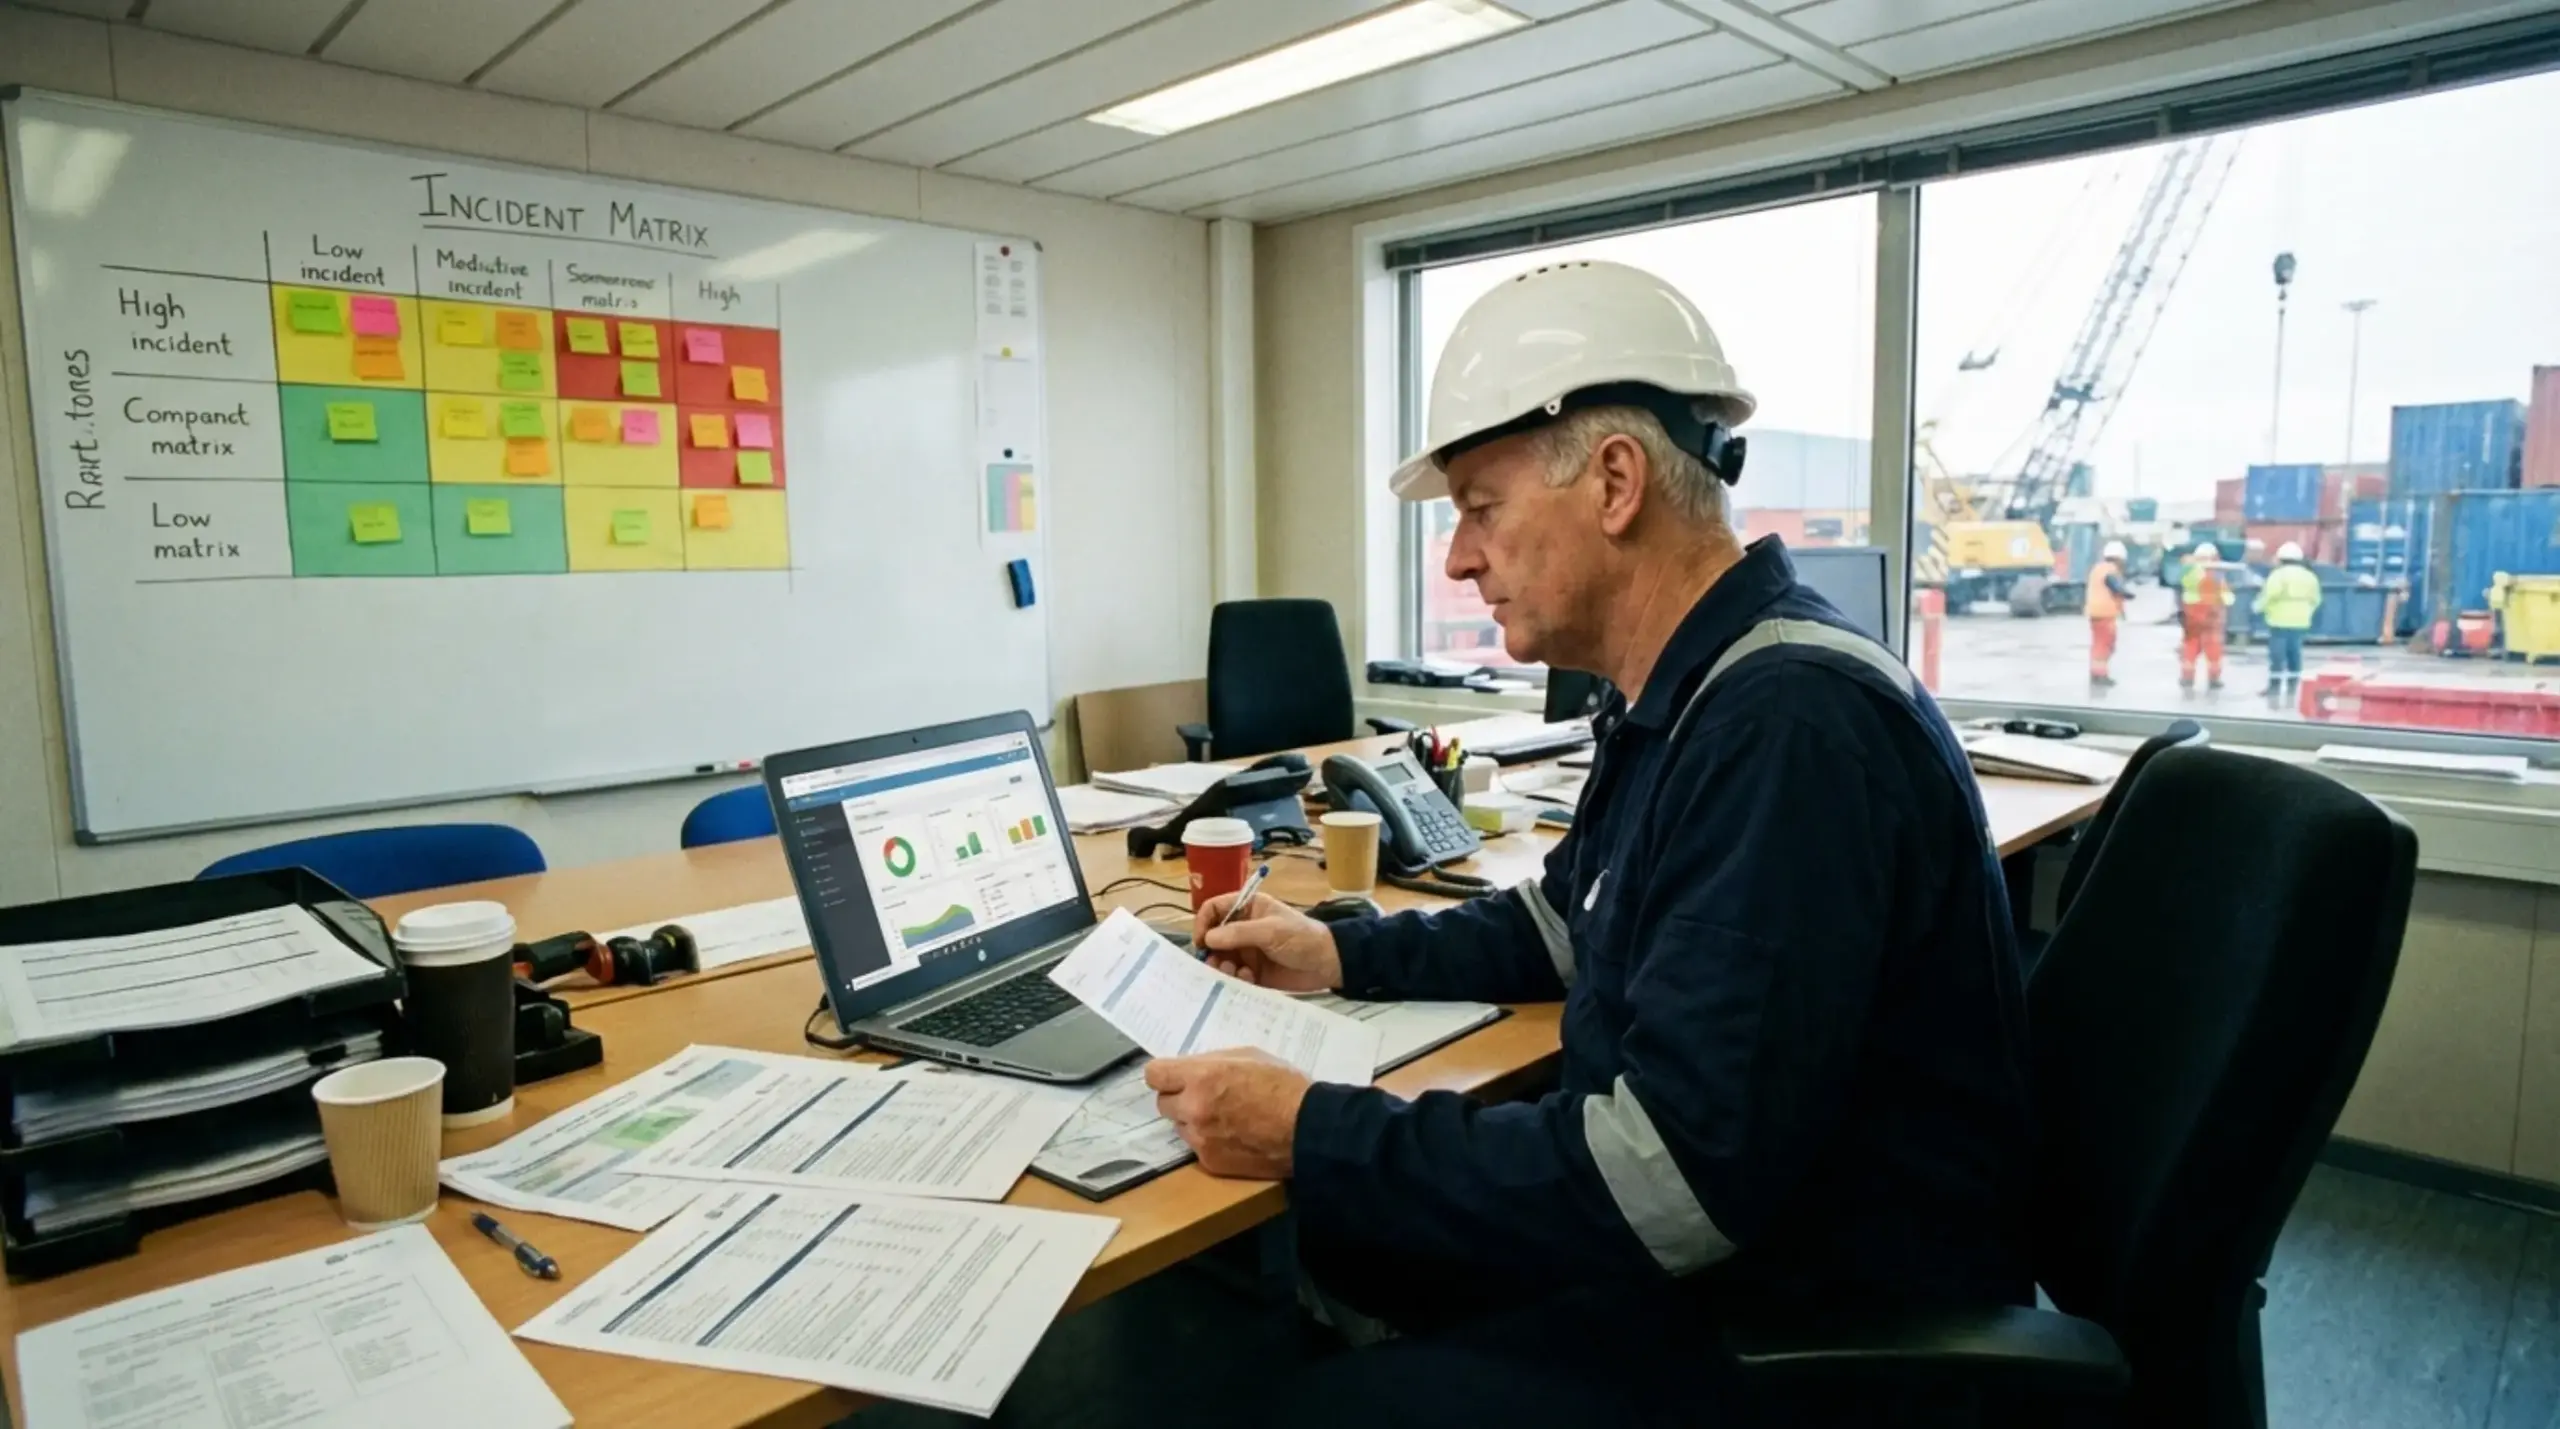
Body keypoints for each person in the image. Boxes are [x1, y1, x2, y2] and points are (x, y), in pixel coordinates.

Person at [1142, 261, 2032, 1426]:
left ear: (1614, 482)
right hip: (1753, 1240)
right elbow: (1568, 921)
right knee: (1359, 1243)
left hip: (1807, 1311)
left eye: (1479, 505)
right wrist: (1340, 952)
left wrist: (1309, 1125)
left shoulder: (1784, 729)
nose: (1457, 557)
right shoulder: (1688, 688)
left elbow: (1670, 1184)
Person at [2256, 539, 2323, 700]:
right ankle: (2293, 686)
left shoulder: (2278, 575)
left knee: (2277, 656)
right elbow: (2316, 599)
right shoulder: (2310, 576)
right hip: (2301, 622)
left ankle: (2275, 687)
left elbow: (2269, 596)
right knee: (2295, 654)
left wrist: (2256, 608)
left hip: (2279, 621)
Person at [2179, 540, 2234, 691]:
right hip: (2212, 614)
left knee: (2190, 646)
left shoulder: (2189, 571)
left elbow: (2185, 586)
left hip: (2192, 615)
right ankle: (2214, 679)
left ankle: (2187, 678)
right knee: (2213, 647)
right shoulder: (2216, 572)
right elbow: (2226, 596)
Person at [2086, 538, 2132, 688]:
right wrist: (2128, 594)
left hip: (2095, 613)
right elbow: (2115, 587)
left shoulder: (2097, 568)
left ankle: (2096, 673)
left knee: (2099, 644)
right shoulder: (2110, 570)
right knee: (2105, 645)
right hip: (2105, 614)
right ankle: (2101, 676)